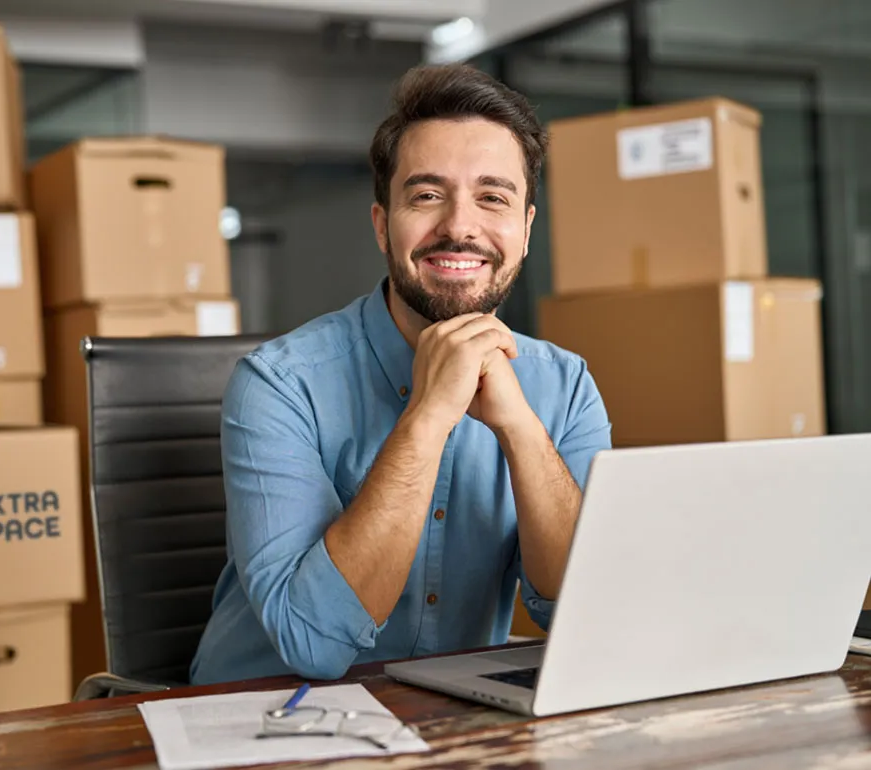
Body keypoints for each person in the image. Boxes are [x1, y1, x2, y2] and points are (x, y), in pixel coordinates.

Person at [189, 62, 611, 685]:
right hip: (261, 719)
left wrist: (521, 429)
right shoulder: (279, 384)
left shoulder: (565, 386)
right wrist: (429, 414)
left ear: (524, 230)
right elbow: (312, 644)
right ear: (384, 225)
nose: (460, 227)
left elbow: (586, 609)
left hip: (453, 720)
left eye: (493, 198)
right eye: (426, 195)